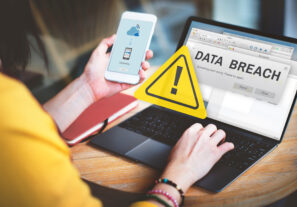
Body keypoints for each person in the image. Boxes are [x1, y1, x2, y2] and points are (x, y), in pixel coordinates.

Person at [0, 1, 234, 207]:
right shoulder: (8, 108)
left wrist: (88, 88)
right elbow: (14, 132)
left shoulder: (11, 105)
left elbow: (25, 127)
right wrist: (179, 176)